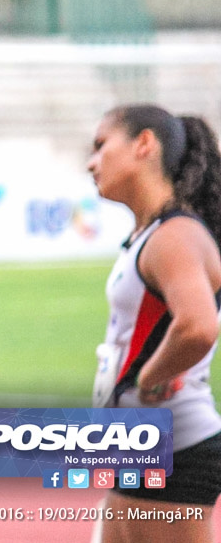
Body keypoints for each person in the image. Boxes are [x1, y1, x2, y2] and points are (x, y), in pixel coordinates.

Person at [87, 103, 221, 543]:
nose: (91, 162)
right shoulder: (152, 235)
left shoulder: (174, 236)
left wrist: (150, 377)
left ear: (144, 144)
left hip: (173, 441)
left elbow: (198, 326)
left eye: (101, 145)